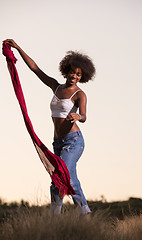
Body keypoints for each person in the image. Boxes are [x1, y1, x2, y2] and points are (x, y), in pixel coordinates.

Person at [4, 39, 96, 216]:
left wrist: (78, 116)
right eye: (72, 72)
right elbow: (35, 69)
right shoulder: (56, 86)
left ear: (82, 77)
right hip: (58, 142)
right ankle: (79, 215)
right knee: (64, 180)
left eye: (78, 75)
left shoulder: (80, 95)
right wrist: (18, 48)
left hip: (74, 141)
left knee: (61, 176)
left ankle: (65, 217)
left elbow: (84, 117)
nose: (74, 76)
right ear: (66, 71)